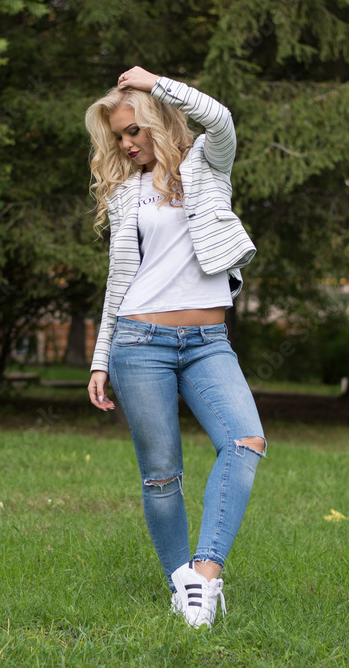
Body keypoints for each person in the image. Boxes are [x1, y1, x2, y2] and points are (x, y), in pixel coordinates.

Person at [84, 66, 267, 628]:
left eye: (134, 130)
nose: (127, 143)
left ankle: (206, 573)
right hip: (139, 340)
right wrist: (100, 357)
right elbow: (121, 277)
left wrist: (155, 81)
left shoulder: (208, 165)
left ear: (161, 122)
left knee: (245, 441)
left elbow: (221, 117)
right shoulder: (126, 192)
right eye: (119, 135)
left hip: (209, 341)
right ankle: (182, 584)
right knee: (161, 473)